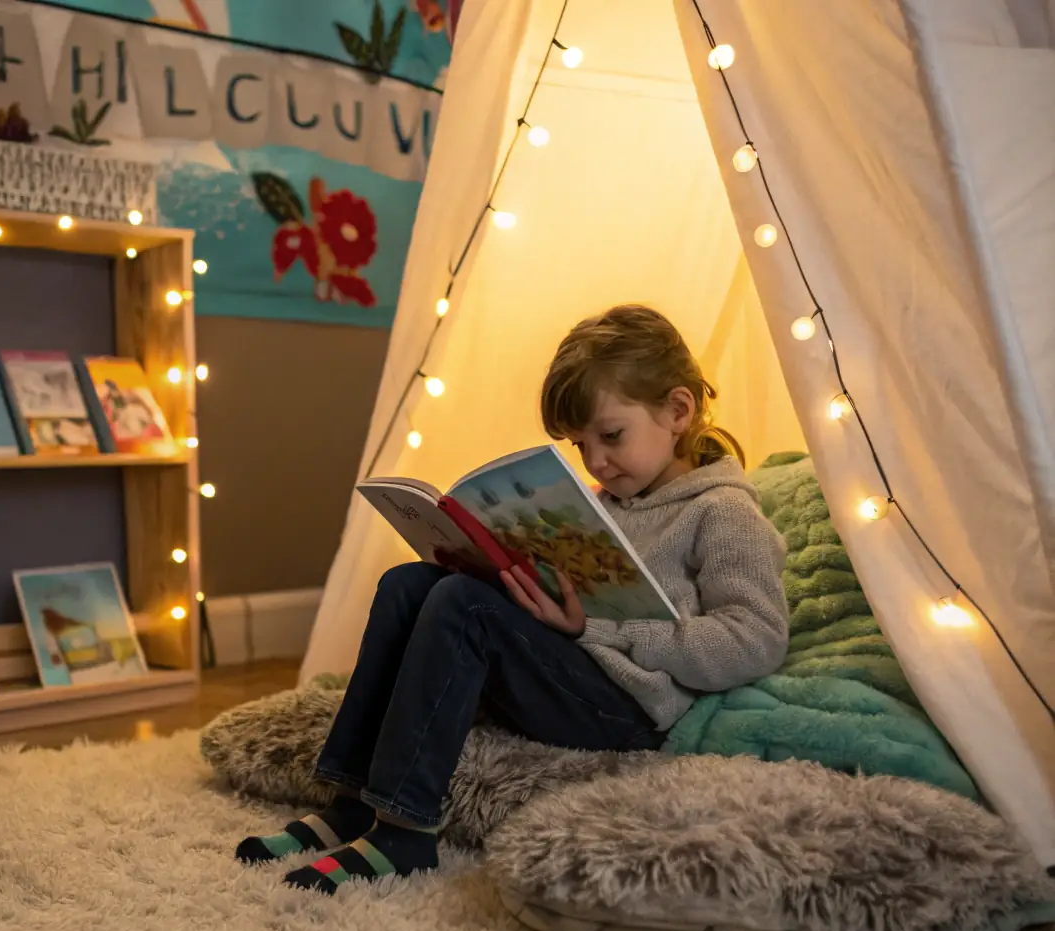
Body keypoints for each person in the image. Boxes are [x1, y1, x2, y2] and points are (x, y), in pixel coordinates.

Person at [235, 304, 790, 894]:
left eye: (611, 436)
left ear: (678, 411)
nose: (597, 461)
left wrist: (604, 633)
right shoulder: (607, 501)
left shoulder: (723, 512)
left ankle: (404, 828)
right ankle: (351, 799)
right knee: (409, 585)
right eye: (581, 446)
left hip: (624, 705)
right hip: (569, 665)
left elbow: (755, 641)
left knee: (462, 606)